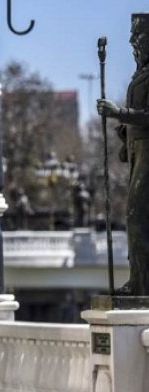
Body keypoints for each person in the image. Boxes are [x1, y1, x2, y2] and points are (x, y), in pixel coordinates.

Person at [97, 13, 149, 295]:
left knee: (138, 216)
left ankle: (142, 285)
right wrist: (122, 131)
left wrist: (120, 113)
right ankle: (138, 280)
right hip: (137, 149)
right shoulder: (139, 75)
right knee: (135, 217)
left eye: (138, 34)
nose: (132, 41)